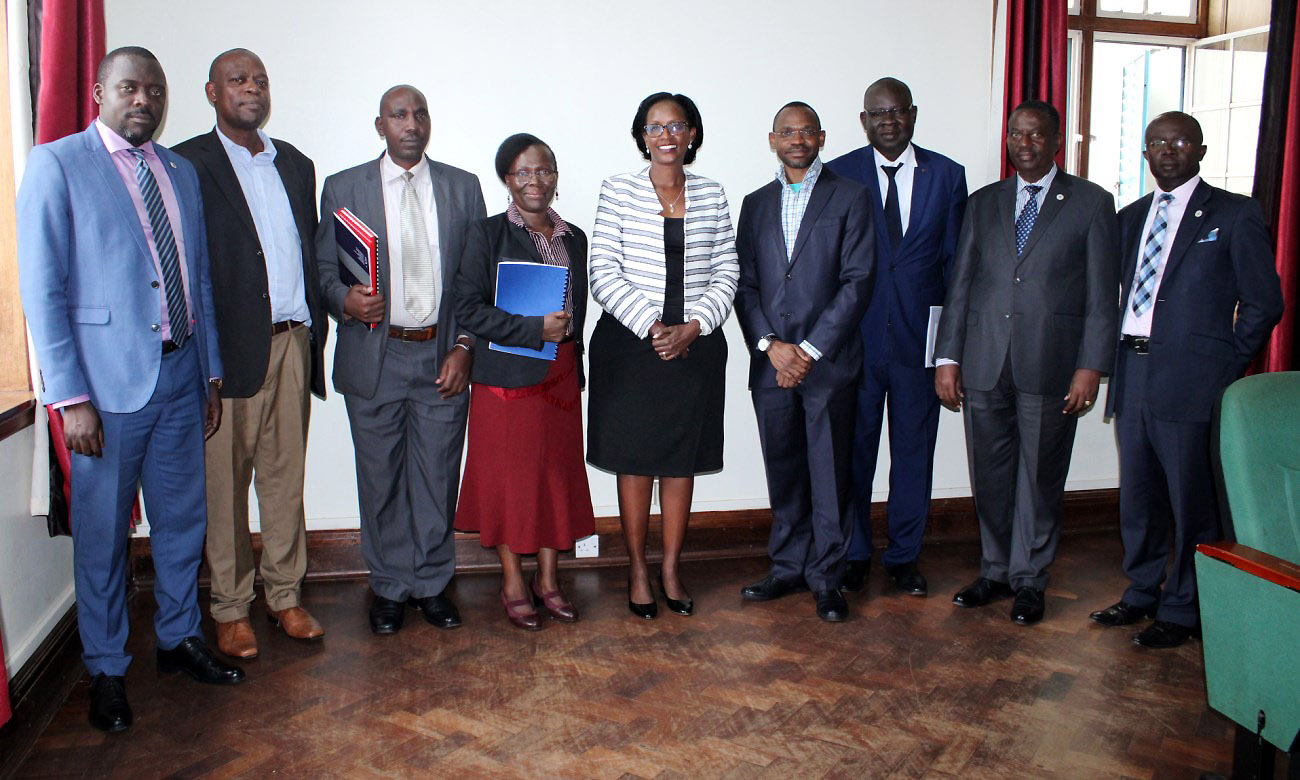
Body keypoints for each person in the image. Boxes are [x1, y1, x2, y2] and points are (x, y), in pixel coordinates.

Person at [17, 47, 244, 734]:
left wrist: (207, 372)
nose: (142, 99)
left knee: (183, 524)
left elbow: (196, 275)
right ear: (97, 92)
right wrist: (69, 397)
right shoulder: (58, 165)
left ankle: (177, 640)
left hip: (180, 378)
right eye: (128, 87)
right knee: (102, 537)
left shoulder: (178, 171)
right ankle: (107, 669)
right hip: (105, 392)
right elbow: (42, 293)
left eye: (154, 89)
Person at [1091, 111, 1282, 648]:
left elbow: (1265, 303)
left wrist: (1225, 364)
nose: (1166, 151)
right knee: (1140, 495)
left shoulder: (1234, 214)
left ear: (1199, 149)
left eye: (1178, 142)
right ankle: (1142, 591)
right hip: (1135, 372)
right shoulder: (1130, 217)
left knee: (1190, 501)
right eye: (1156, 144)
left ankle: (1184, 608)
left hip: (1194, 379)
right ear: (1145, 154)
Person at [933, 100, 1119, 626]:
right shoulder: (984, 202)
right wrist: (947, 358)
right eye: (1017, 135)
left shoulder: (1090, 202)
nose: (1026, 144)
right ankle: (994, 569)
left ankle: (1030, 578)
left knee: (1039, 477)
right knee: (989, 474)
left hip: (1053, 364)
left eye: (1036, 135)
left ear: (1056, 140)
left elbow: (1104, 297)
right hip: (984, 360)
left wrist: (1091, 367)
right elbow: (961, 284)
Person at [315, 85, 486, 635]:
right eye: (398, 115)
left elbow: (477, 282)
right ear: (380, 125)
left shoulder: (463, 187)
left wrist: (465, 348)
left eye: (419, 113)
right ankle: (389, 586)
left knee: (437, 476)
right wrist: (345, 299)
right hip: (376, 355)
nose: (411, 123)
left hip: (443, 355)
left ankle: (433, 583)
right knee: (381, 476)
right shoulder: (344, 187)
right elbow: (321, 270)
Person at [174, 48, 327, 659]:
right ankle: (231, 608)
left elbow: (308, 248)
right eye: (238, 79)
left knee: (285, 480)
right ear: (212, 92)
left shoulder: (295, 163)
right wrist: (202, 361)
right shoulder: (188, 163)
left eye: (260, 79)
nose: (252, 88)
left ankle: (285, 595)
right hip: (229, 350)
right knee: (225, 484)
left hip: (293, 341)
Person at [587, 91, 739, 619]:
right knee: (634, 463)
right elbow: (602, 271)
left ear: (692, 134)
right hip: (631, 349)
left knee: (680, 464)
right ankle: (636, 567)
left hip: (695, 349)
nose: (667, 136)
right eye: (655, 127)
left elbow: (728, 269)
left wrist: (693, 327)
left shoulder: (713, 194)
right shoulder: (618, 190)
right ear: (642, 136)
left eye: (677, 126)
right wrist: (655, 328)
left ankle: (671, 568)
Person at [826, 78, 968, 596]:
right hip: (854, 345)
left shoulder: (948, 176)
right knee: (853, 454)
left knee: (914, 454)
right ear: (863, 120)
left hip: (919, 346)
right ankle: (855, 552)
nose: (888, 120)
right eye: (877, 112)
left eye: (897, 111)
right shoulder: (838, 173)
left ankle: (905, 557)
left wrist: (950, 349)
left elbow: (957, 268)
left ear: (913, 114)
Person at [735, 102, 874, 621]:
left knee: (830, 472)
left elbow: (859, 280)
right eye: (786, 132)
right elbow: (745, 284)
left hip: (829, 363)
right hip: (771, 363)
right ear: (772, 140)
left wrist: (809, 350)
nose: (797, 139)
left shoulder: (851, 197)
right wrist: (772, 344)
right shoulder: (755, 204)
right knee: (785, 468)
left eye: (806, 131)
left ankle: (826, 576)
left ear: (821, 137)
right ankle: (789, 565)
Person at [453, 134, 595, 630]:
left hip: (559, 374)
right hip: (505, 378)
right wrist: (533, 330)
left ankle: (549, 581)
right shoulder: (485, 234)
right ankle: (513, 581)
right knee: (511, 483)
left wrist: (563, 337)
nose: (537, 180)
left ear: (556, 176)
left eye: (546, 170)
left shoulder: (574, 237)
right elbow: (468, 308)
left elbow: (577, 308)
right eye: (524, 172)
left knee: (555, 478)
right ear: (507, 180)